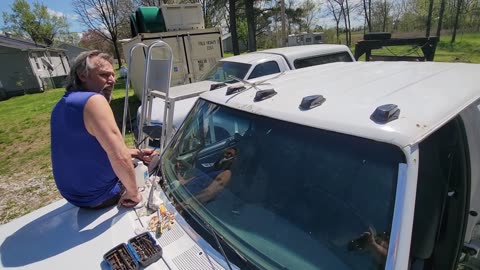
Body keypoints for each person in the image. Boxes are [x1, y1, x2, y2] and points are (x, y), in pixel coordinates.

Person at [50, 50, 157, 209]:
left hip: (74, 197)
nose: (112, 80)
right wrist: (134, 194)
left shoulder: (62, 105)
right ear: (82, 75)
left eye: (113, 75)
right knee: (158, 160)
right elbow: (119, 156)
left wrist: (135, 152)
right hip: (102, 195)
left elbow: (91, 148)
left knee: (139, 158)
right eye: (104, 75)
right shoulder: (94, 101)